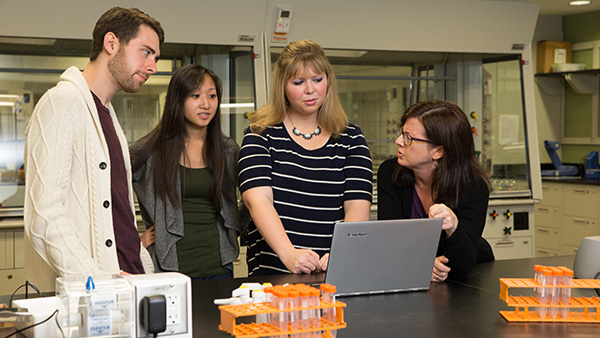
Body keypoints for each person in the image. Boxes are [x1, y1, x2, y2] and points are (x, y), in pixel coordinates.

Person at [23, 7, 164, 290]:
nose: (153, 67)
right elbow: (44, 216)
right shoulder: (61, 103)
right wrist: (98, 281)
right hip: (98, 292)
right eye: (146, 52)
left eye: (156, 58)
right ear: (111, 43)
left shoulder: (107, 115)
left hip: (128, 282)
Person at [238, 40, 373, 276]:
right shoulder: (260, 134)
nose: (310, 90)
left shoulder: (351, 136)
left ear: (328, 81)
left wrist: (344, 253)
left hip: (333, 271)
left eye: (317, 80)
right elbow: (257, 200)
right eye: (298, 82)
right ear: (283, 86)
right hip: (274, 272)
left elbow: (357, 203)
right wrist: (288, 253)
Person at [130, 64, 247, 280]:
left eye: (212, 96)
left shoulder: (228, 150)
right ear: (178, 100)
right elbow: (108, 195)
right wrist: (134, 241)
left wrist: (235, 226)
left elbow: (255, 197)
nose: (206, 104)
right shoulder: (149, 151)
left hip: (219, 268)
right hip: (169, 268)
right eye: (195, 95)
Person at [377, 99, 492, 282]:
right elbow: (389, 244)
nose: (398, 141)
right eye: (401, 133)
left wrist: (453, 226)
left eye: (409, 138)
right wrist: (420, 265)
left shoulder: (473, 187)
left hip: (464, 282)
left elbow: (461, 268)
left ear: (438, 151)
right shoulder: (390, 173)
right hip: (410, 275)